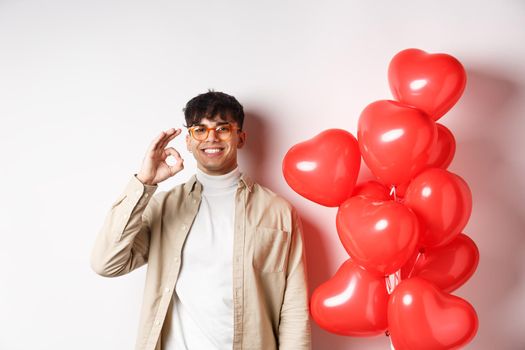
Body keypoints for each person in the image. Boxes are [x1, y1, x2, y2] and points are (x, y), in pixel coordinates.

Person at [90, 91, 311, 350]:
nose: (211, 138)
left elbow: (294, 307)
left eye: (222, 128)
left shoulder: (278, 212)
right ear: (189, 141)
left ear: (240, 137)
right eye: (200, 130)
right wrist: (144, 182)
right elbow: (106, 263)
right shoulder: (164, 207)